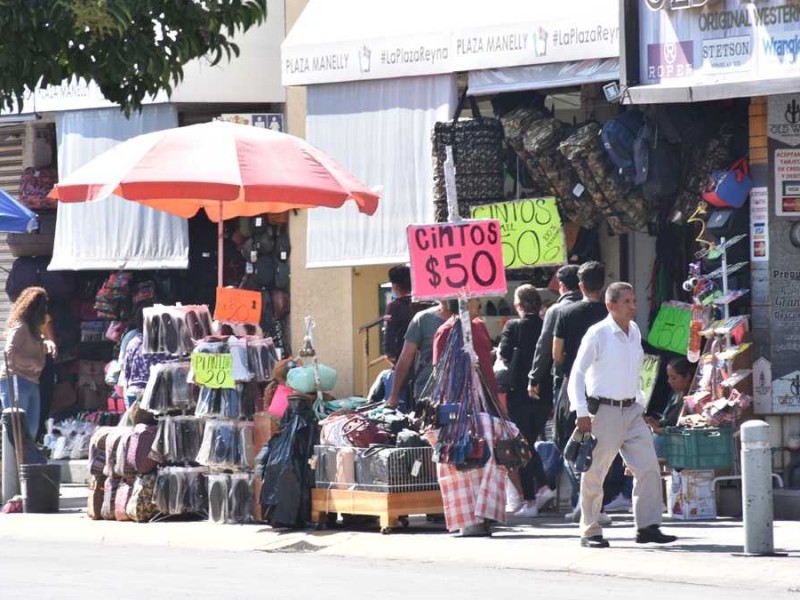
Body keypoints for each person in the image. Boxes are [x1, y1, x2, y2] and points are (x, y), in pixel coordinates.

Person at [568, 282, 678, 549]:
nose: (633, 306)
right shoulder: (598, 334)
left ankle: (648, 527)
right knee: (595, 472)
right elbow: (577, 375)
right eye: (627, 302)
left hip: (632, 411)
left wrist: (640, 403)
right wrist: (581, 411)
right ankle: (590, 530)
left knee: (648, 467)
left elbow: (637, 370)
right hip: (603, 411)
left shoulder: (634, 331)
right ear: (611, 305)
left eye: (634, 301)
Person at [433, 298, 503, 537]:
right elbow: (441, 372)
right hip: (461, 405)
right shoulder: (448, 331)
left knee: (479, 459)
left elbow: (485, 367)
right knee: (467, 460)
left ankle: (480, 517)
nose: (480, 301)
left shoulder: (475, 327)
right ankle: (471, 519)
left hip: (478, 402)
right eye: (474, 298)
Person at [552, 261, 610, 522]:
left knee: (570, 444)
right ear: (604, 285)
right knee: (604, 447)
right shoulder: (610, 315)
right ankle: (598, 505)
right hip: (605, 386)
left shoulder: (566, 313)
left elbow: (556, 353)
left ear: (580, 286)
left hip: (573, 386)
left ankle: (582, 501)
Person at [498, 284, 555, 517]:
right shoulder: (546, 327)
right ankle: (542, 488)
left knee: (522, 446)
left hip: (519, 394)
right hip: (544, 395)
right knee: (528, 443)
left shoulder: (513, 327)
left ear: (518, 305)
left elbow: (504, 355)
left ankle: (532, 499)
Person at [0, 287, 57, 439]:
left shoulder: (34, 329)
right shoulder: (20, 327)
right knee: (18, 429)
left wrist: (47, 345)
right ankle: (14, 461)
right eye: (43, 307)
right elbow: (8, 353)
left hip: (32, 381)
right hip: (15, 380)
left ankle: (27, 459)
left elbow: (31, 347)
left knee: (31, 428)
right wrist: (31, 362)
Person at [386, 301, 452, 409]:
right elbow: (406, 358)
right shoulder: (423, 319)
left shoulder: (469, 320)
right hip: (427, 395)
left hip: (463, 394)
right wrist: (394, 396)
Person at [646, 357, 693, 458]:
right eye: (669, 377)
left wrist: (657, 429)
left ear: (687, 377)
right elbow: (669, 421)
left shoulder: (692, 401)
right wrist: (657, 423)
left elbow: (681, 429)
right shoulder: (676, 396)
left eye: (674, 378)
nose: (669, 381)